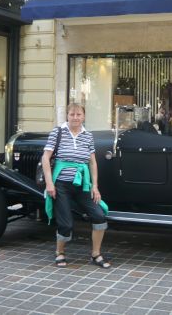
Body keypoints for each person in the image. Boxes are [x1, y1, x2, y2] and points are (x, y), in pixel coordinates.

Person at [41, 103, 110, 269]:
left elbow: (92, 162)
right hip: (61, 185)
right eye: (72, 114)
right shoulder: (58, 132)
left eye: (79, 114)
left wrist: (95, 186)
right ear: (67, 116)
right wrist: (49, 183)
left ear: (83, 117)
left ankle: (96, 254)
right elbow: (45, 158)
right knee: (66, 224)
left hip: (83, 186)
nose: (75, 117)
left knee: (99, 216)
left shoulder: (88, 136)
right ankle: (60, 252)